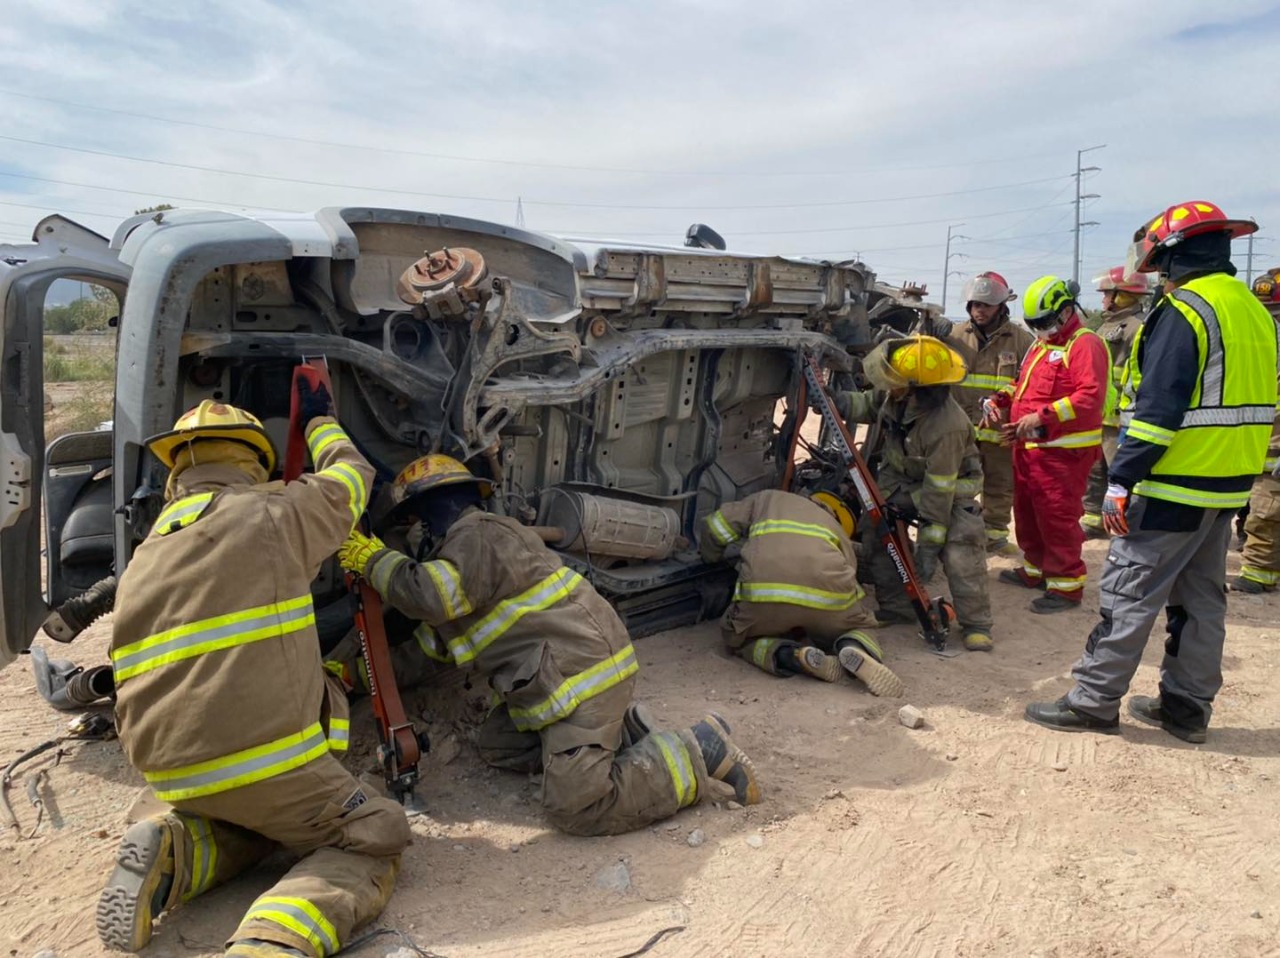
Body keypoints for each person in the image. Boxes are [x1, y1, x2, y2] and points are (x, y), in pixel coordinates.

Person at [97, 388, 412, 958]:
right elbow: (353, 474)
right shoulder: (274, 513)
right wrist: (321, 423)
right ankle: (274, 940)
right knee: (378, 834)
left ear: (176, 473)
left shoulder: (144, 555)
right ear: (251, 461)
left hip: (166, 770)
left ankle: (179, 851)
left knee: (262, 820)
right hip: (260, 763)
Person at [336, 454, 761, 836]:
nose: (409, 540)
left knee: (576, 808)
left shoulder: (476, 537)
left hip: (582, 681)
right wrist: (354, 674)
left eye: (410, 528)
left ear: (426, 520)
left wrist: (373, 561)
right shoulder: (466, 564)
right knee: (498, 746)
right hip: (562, 680)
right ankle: (625, 736)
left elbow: (427, 595)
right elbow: (430, 651)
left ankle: (696, 750)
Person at [1025, 200, 1278, 741]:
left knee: (1128, 592)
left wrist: (1121, 479)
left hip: (1173, 481)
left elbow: (1159, 409)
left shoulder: (1185, 310)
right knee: (1201, 600)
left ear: (1169, 255)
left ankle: (1093, 701)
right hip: (1230, 481)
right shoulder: (1252, 310)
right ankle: (1186, 710)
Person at [834, 335, 995, 652]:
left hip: (950, 487)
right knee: (876, 529)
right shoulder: (895, 395)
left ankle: (977, 624)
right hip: (902, 479)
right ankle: (897, 608)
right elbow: (866, 404)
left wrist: (926, 555)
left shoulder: (946, 426)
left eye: (895, 382)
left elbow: (938, 496)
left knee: (960, 546)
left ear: (921, 389)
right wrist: (833, 399)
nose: (888, 386)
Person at [983, 276, 1109, 613]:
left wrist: (1042, 417)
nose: (1040, 329)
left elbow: (1090, 396)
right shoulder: (1041, 346)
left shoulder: (1084, 344)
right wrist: (999, 399)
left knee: (1057, 517)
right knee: (1025, 513)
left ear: (1067, 311)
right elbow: (1021, 384)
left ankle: (1066, 586)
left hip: (1063, 454)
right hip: (1029, 449)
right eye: (1034, 324)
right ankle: (1035, 570)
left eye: (1044, 322)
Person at [699, 489, 904, 695]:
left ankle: (791, 656)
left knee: (737, 636)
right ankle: (855, 647)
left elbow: (716, 526)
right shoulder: (834, 525)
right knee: (860, 627)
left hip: (764, 594)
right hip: (827, 599)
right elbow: (849, 570)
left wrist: (711, 558)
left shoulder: (767, 498)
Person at [949, 271, 1033, 556]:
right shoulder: (954, 336)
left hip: (1000, 431)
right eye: (974, 304)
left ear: (1001, 306)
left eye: (984, 304)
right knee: (960, 483)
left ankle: (994, 536)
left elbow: (1030, 383)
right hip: (962, 428)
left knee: (999, 484)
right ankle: (959, 534)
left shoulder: (1021, 340)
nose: (978, 310)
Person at [1081, 267, 1153, 538]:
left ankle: (1127, 525)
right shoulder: (1106, 325)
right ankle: (1093, 518)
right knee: (1094, 469)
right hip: (1100, 414)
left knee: (1120, 472)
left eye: (1107, 294)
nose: (1103, 300)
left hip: (1122, 417)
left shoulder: (1140, 326)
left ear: (1122, 296)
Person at [1230, 268, 1280, 593]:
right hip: (1255, 438)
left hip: (1272, 444)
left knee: (1266, 509)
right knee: (1253, 506)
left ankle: (1259, 572)